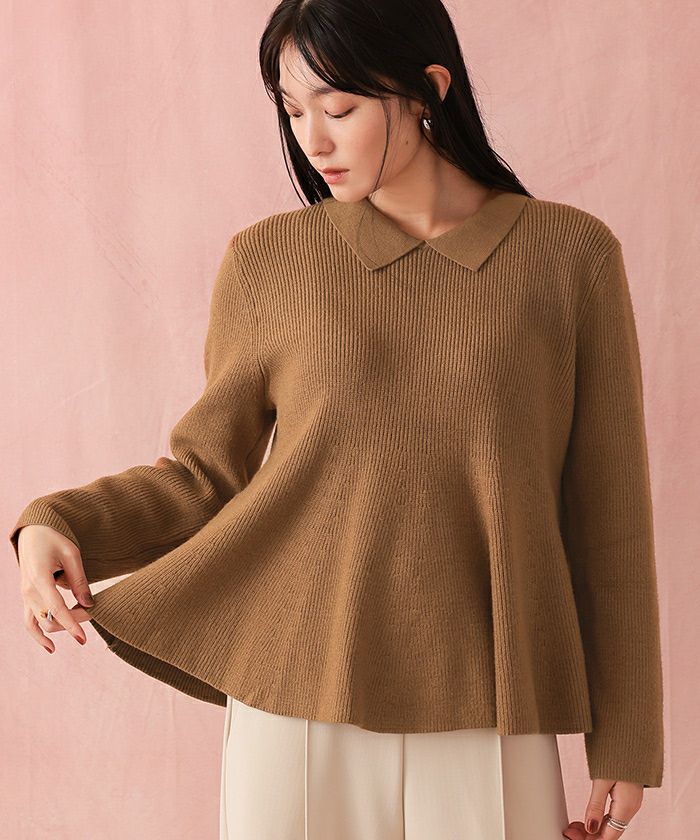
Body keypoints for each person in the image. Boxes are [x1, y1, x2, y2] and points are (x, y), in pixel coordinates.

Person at [10, 1, 663, 838]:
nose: (313, 141)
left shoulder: (569, 258)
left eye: (340, 108)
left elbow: (607, 516)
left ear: (428, 89)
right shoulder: (269, 261)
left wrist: (626, 735)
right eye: (292, 111)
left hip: (494, 700)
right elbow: (207, 477)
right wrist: (56, 521)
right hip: (295, 702)